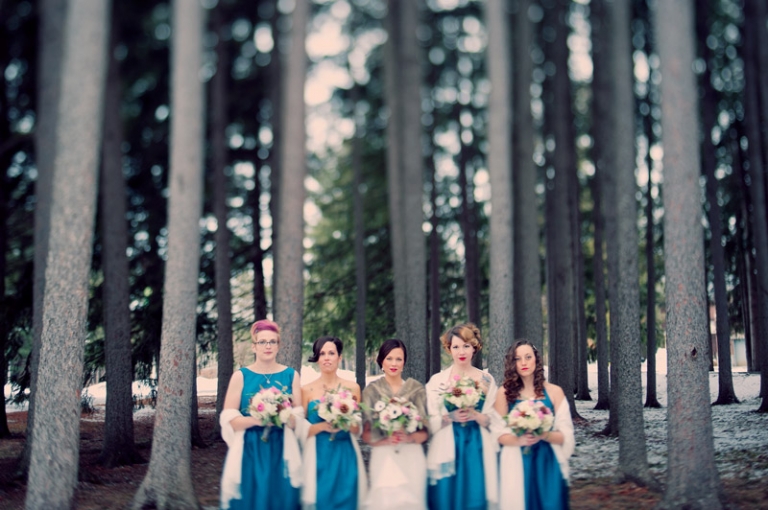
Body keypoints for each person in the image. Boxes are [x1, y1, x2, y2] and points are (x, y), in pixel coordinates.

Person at [219, 320, 303, 510]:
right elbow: (229, 419)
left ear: (278, 346)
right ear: (253, 346)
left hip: (282, 447)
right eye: (262, 342)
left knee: (281, 498)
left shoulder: (291, 375)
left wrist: (281, 415)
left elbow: (297, 417)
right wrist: (257, 419)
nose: (267, 346)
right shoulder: (240, 376)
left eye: (272, 342)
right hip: (250, 448)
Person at [493, 340, 574, 510]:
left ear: (536, 360)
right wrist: (521, 440)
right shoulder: (504, 393)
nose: (523, 363)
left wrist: (542, 434)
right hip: (516, 461)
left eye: (528, 357)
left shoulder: (554, 392)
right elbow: (497, 433)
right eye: (517, 359)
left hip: (548, 462)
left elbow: (564, 436)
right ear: (512, 363)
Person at [425, 323, 499, 510]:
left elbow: (494, 418)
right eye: (455, 347)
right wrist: (450, 416)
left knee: (475, 494)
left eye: (466, 345)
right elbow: (429, 417)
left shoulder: (486, 380)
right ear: (449, 349)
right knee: (446, 497)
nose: (461, 351)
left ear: (475, 347)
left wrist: (476, 415)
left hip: (477, 445)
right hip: (448, 443)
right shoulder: (438, 380)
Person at [362, 339, 430, 510]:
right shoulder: (371, 390)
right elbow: (366, 434)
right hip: (384, 455)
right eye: (389, 358)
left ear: (404, 362)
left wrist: (408, 437)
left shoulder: (416, 389)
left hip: (411, 456)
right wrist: (385, 440)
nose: (394, 363)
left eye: (398, 359)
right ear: (381, 361)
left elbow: (424, 432)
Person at [300, 336, 367, 510]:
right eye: (322, 354)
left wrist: (344, 422)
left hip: (345, 453)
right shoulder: (306, 389)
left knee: (347, 501)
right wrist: (320, 426)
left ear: (340, 357)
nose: (327, 358)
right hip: (318, 456)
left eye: (331, 353)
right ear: (317, 358)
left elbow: (357, 426)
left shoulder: (352, 388)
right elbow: (299, 428)